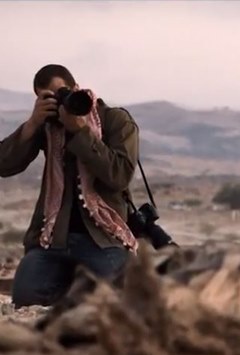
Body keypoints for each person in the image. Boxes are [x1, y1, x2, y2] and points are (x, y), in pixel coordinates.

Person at [0, 64, 139, 307]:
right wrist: (32, 124)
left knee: (119, 299)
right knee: (25, 297)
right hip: (53, 238)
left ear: (76, 88)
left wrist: (80, 131)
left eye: (62, 93)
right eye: (49, 98)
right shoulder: (48, 126)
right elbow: (4, 165)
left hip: (102, 237)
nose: (59, 102)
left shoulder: (115, 120)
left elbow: (119, 176)